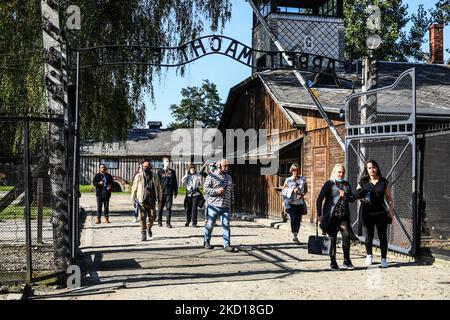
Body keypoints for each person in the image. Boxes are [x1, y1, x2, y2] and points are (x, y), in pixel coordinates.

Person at [316, 164, 357, 271]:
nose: (341, 174)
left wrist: (345, 196)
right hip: (332, 217)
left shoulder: (346, 184)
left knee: (346, 237)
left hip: (343, 217)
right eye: (339, 172)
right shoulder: (329, 184)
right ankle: (333, 262)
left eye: (342, 172)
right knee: (333, 239)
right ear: (334, 172)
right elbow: (319, 199)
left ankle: (346, 261)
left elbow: (352, 199)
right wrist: (319, 215)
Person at [356, 159, 394, 268]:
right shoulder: (362, 182)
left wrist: (391, 210)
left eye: (374, 167)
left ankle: (383, 259)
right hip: (367, 213)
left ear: (377, 168)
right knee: (369, 235)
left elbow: (389, 198)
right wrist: (361, 198)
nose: (372, 170)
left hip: (381, 213)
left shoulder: (383, 182)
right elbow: (357, 194)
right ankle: (369, 255)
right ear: (366, 170)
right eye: (369, 168)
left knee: (383, 236)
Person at [203, 159, 236, 252]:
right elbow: (205, 189)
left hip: (226, 206)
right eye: (225, 166)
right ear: (219, 166)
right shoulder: (212, 175)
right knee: (210, 224)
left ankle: (226, 245)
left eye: (227, 166)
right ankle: (206, 241)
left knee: (226, 224)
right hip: (214, 205)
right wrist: (217, 191)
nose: (226, 168)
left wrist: (232, 203)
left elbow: (231, 191)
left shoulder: (229, 177)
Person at [131, 161, 162, 241]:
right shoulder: (139, 176)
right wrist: (133, 198)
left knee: (153, 217)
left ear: (151, 166)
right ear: (142, 167)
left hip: (151, 200)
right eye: (144, 166)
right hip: (142, 200)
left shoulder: (155, 176)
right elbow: (134, 187)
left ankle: (149, 227)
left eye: (148, 166)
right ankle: (143, 233)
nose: (146, 167)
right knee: (142, 218)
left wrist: (160, 198)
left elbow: (158, 188)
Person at [281, 163, 307, 244]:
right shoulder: (288, 180)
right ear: (292, 171)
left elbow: (306, 190)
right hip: (291, 203)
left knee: (298, 221)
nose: (296, 172)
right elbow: (283, 191)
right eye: (294, 170)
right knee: (293, 219)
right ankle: (295, 236)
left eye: (297, 170)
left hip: (300, 203)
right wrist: (292, 190)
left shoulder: (303, 179)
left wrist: (302, 195)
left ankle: (296, 234)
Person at [157, 156, 178, 228]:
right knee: (160, 208)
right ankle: (159, 221)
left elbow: (175, 182)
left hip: (169, 193)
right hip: (161, 193)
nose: (167, 163)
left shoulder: (172, 172)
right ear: (163, 162)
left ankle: (168, 223)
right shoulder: (160, 172)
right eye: (166, 161)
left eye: (168, 161)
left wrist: (175, 192)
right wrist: (157, 192)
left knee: (168, 208)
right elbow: (157, 183)